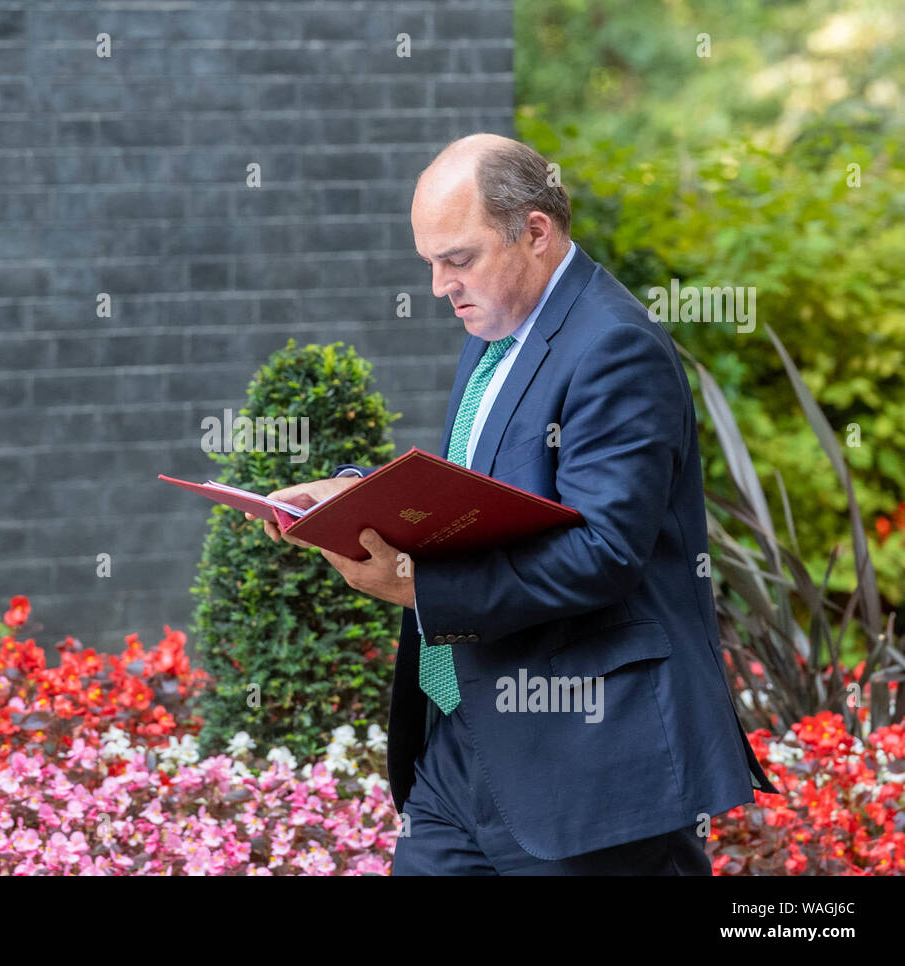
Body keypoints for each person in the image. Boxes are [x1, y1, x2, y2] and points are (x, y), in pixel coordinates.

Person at [248, 133, 777, 875]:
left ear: (535, 231)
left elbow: (603, 554)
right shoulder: (497, 322)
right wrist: (354, 490)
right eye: (429, 262)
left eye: (457, 259)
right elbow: (481, 486)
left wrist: (418, 586)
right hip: (462, 740)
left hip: (586, 759)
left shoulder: (617, 347)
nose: (439, 285)